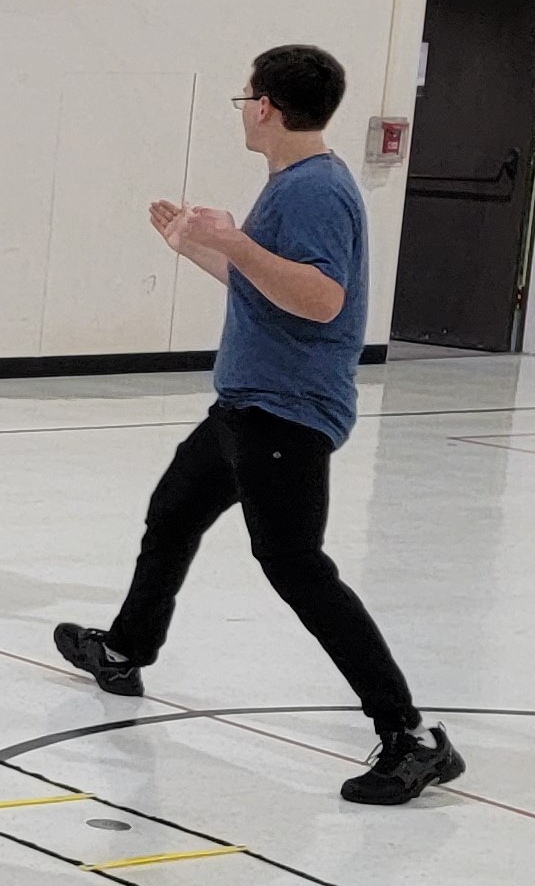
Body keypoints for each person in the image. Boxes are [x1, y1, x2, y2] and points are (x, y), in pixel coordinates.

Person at [55, 45, 464, 806]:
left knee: (296, 567)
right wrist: (200, 248)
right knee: (173, 512)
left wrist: (235, 241)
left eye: (244, 97)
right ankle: (125, 647)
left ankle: (409, 734)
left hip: (287, 410)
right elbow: (265, 291)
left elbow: (321, 300)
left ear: (266, 106)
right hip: (247, 404)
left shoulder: (312, 191)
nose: (242, 108)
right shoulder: (297, 183)